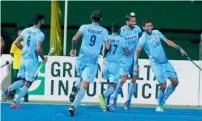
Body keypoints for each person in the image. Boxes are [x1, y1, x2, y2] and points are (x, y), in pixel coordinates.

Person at [134, 20, 187, 112]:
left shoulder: (156, 32)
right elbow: (137, 51)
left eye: (150, 26)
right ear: (143, 27)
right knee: (163, 85)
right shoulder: (143, 38)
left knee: (175, 82)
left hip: (165, 62)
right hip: (155, 64)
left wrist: (179, 48)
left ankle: (163, 99)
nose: (149, 28)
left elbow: (167, 41)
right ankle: (159, 105)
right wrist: (135, 63)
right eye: (147, 26)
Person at [68, 10, 110, 116]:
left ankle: (75, 87)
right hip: (91, 61)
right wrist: (104, 53)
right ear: (101, 19)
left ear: (91, 18)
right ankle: (73, 106)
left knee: (82, 78)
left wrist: (73, 49)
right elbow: (107, 47)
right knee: (84, 84)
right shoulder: (104, 31)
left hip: (81, 59)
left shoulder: (84, 27)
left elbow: (74, 38)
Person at [1, 13, 47, 108]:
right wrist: (43, 58)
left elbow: (16, 42)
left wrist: (23, 48)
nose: (43, 21)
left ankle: (7, 90)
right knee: (28, 82)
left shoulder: (26, 30)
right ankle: (15, 102)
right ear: (40, 21)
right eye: (43, 20)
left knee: (22, 80)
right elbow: (38, 49)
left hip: (23, 59)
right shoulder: (40, 34)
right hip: (31, 60)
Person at [110, 12, 142, 110]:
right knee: (123, 79)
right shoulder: (122, 30)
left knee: (134, 78)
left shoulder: (138, 29)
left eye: (135, 21)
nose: (134, 23)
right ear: (127, 21)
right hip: (124, 58)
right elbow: (114, 39)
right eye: (132, 21)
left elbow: (141, 38)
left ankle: (128, 101)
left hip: (134, 58)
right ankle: (114, 97)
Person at [99, 22, 129, 111]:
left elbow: (103, 50)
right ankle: (103, 96)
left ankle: (106, 105)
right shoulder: (122, 39)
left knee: (108, 84)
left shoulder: (107, 37)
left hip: (106, 63)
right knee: (114, 86)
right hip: (115, 65)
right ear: (119, 30)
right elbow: (127, 52)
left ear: (111, 29)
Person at [8, 27, 29, 102]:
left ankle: (25, 97)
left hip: (25, 66)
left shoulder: (27, 43)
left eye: (23, 32)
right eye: (21, 32)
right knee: (16, 81)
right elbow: (12, 53)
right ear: (18, 33)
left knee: (26, 81)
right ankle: (10, 95)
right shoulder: (15, 43)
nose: (22, 33)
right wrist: (17, 60)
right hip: (17, 65)